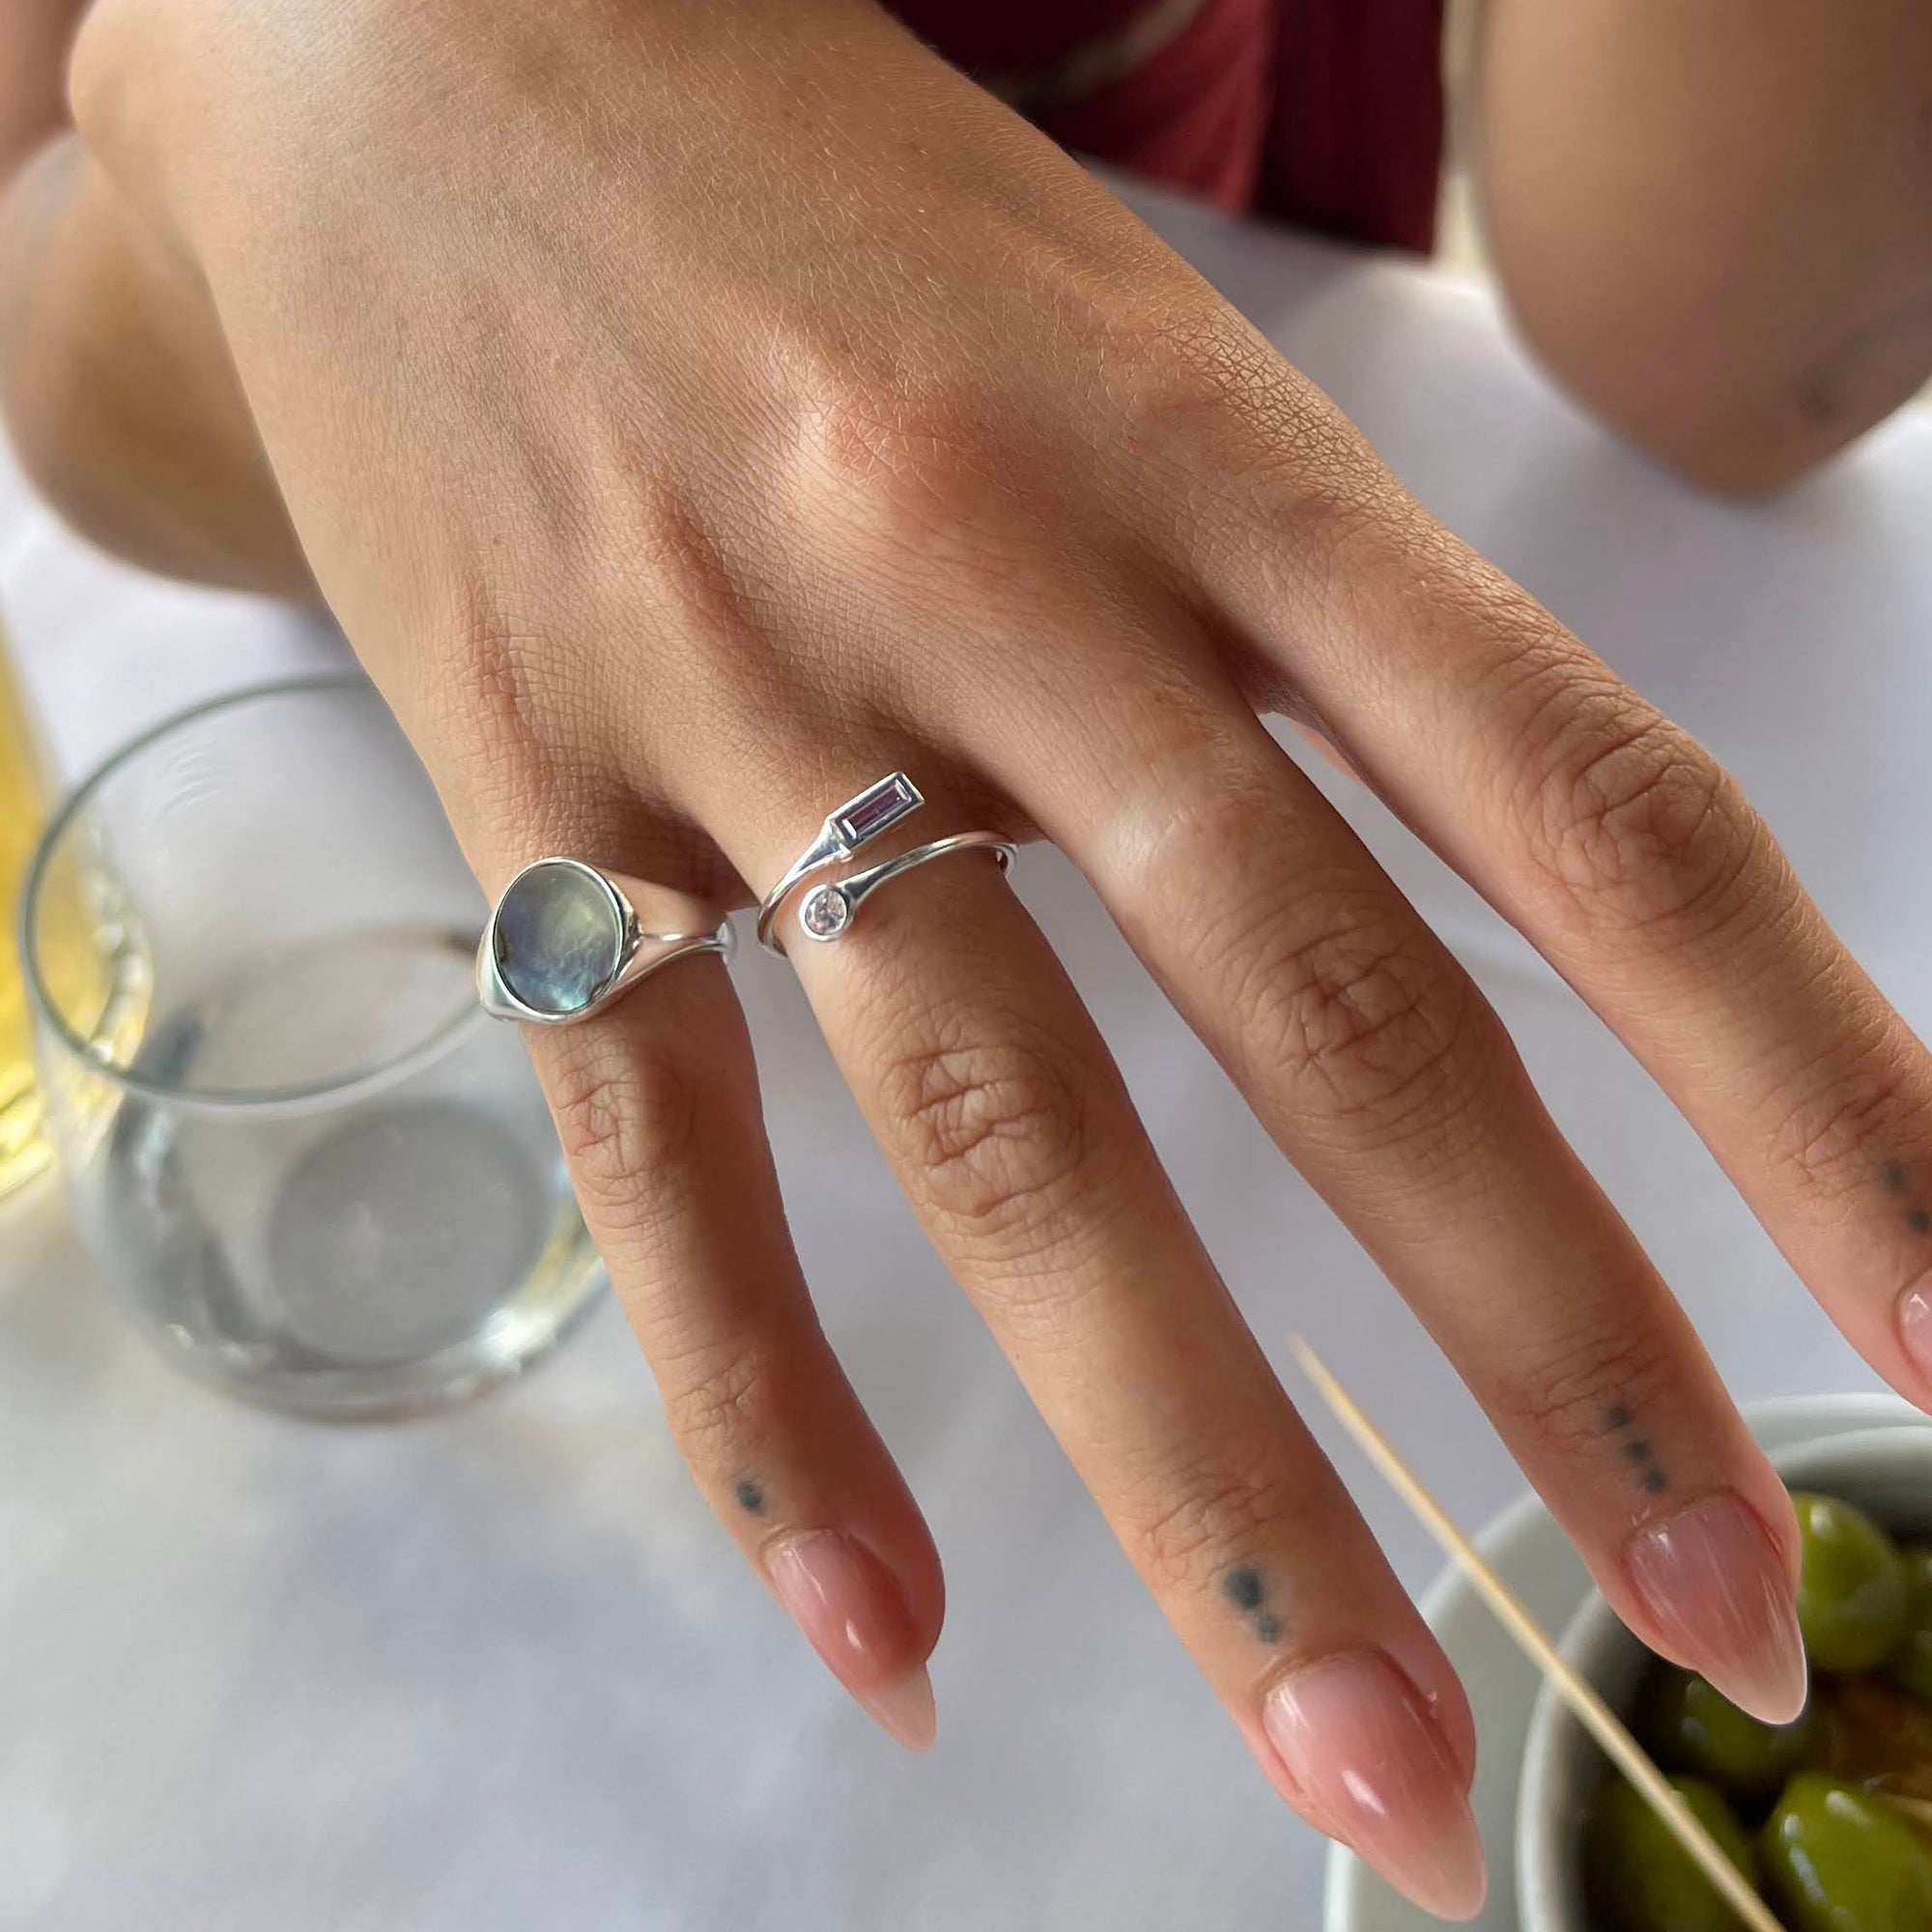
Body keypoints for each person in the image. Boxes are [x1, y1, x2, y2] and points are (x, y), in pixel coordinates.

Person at [4, 0, 1930, 1916]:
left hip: (1246, 480)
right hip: (505, 762)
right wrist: (297, 77)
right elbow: (48, 346)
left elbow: (1721, 361)